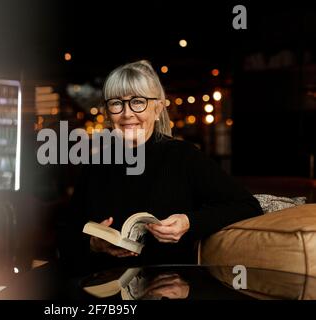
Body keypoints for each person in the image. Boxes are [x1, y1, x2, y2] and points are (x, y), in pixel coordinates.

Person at [57, 60, 262, 273]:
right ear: (108, 114)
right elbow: (66, 235)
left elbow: (247, 205)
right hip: (106, 287)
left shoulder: (184, 156)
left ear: (157, 109)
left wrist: (189, 221)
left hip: (170, 285)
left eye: (138, 102)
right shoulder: (96, 164)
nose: (127, 113)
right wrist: (93, 244)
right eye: (117, 103)